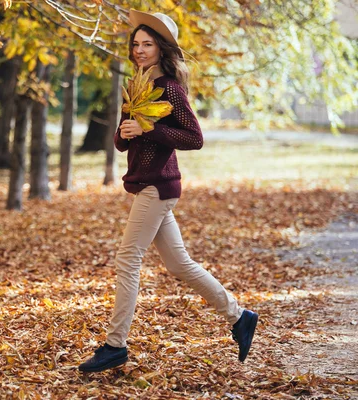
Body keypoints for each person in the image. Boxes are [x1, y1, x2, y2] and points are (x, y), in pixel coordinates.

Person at [78, 10, 259, 373]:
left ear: (161, 49)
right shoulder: (137, 85)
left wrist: (149, 131)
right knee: (179, 264)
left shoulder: (170, 90)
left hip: (158, 186)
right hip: (146, 184)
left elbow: (195, 138)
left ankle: (115, 345)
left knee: (128, 259)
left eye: (147, 44)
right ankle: (239, 316)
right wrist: (124, 134)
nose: (140, 50)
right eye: (136, 44)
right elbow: (121, 139)